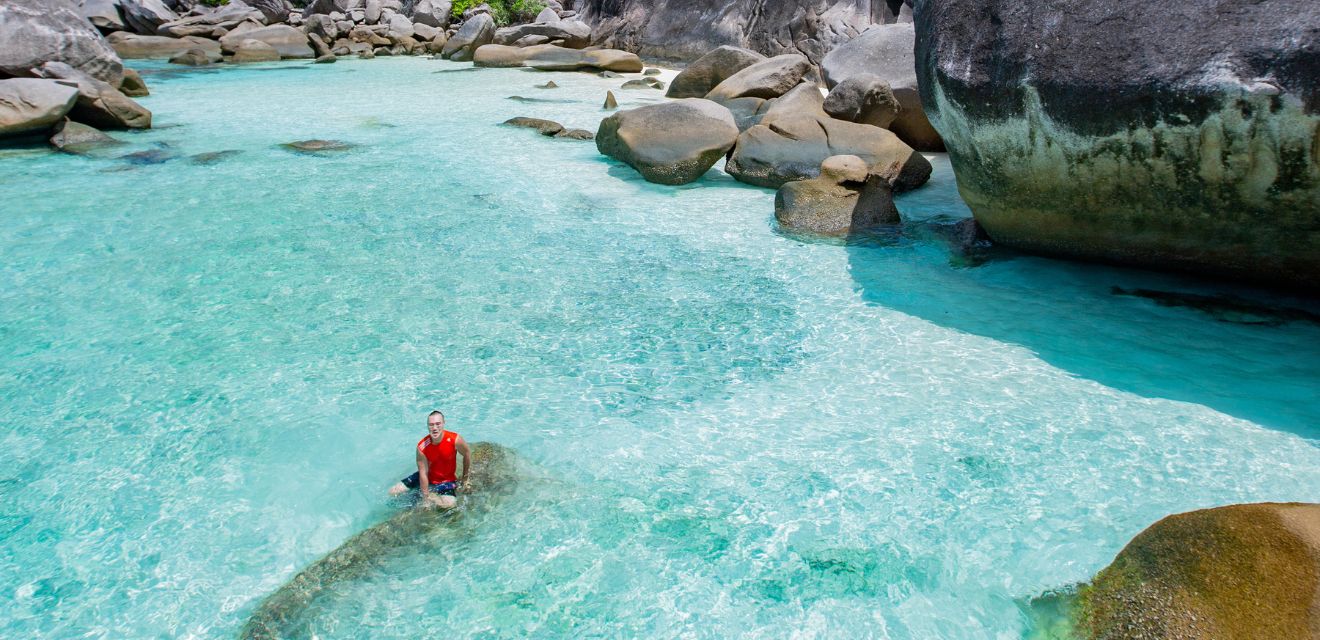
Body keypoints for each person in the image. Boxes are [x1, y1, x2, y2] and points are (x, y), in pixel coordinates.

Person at [388, 410, 471, 508]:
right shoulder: (422, 447)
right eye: (431, 425)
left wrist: (465, 479)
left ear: (444, 423)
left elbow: (467, 453)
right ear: (427, 426)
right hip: (428, 477)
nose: (435, 428)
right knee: (392, 492)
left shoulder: (454, 439)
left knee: (450, 504)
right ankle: (427, 494)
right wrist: (425, 498)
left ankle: (433, 495)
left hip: (446, 480)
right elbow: (423, 473)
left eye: (438, 424)